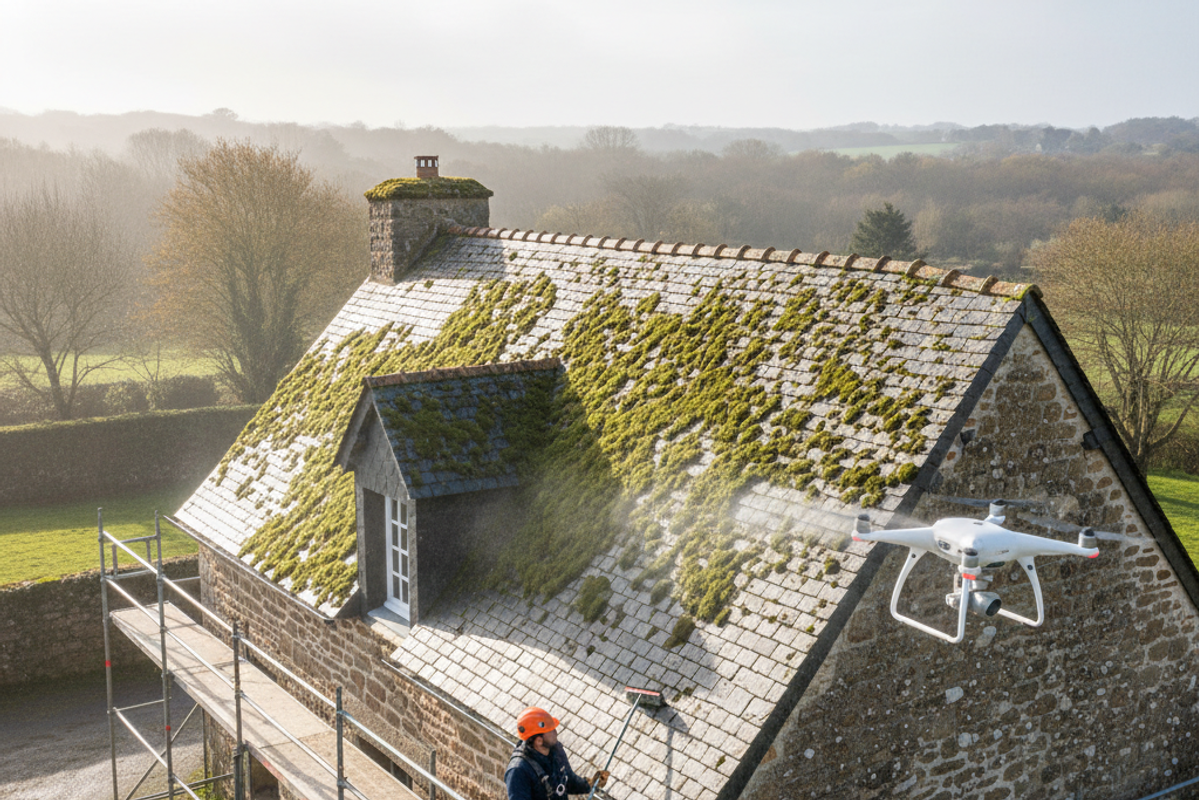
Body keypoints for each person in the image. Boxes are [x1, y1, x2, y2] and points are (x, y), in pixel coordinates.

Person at [505, 707, 609, 800]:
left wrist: (590, 784)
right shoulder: (518, 772)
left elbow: (569, 781)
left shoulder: (556, 750)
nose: (556, 732)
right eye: (551, 730)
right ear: (539, 741)